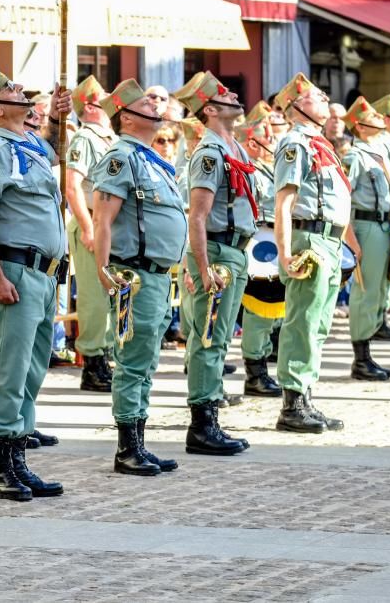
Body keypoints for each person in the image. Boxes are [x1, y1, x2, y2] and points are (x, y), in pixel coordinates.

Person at [0, 66, 69, 502]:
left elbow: (57, 154)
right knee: (9, 371)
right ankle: (1, 468)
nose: (20, 91)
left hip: (43, 274)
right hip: (17, 272)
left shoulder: (27, 142)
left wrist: (59, 120)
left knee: (31, 369)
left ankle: (20, 458)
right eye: (10, 89)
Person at [92, 79, 185, 476]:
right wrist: (103, 270)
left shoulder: (150, 158)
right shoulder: (121, 157)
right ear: (127, 117)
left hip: (160, 276)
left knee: (146, 360)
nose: (154, 104)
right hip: (138, 274)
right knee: (132, 360)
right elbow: (103, 217)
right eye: (144, 102)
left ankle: (139, 443)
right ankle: (127, 447)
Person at [271, 73, 361, 433]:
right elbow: (284, 203)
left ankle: (305, 395)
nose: (325, 99)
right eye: (317, 96)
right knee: (303, 322)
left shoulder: (320, 144)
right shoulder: (296, 143)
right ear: (296, 106)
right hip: (310, 239)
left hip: (329, 240)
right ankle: (292, 404)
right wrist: (284, 252)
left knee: (319, 324)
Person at [174, 71, 254, 455]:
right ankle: (202, 426)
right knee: (208, 338)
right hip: (218, 251)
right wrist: (202, 268)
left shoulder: (232, 147)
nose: (235, 95)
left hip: (233, 250)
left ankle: (210, 415)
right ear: (209, 110)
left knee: (219, 338)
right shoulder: (209, 153)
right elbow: (198, 216)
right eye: (225, 95)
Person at [342, 96, 390, 382]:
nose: (381, 119)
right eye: (374, 118)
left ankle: (368, 350)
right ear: (360, 126)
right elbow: (343, 198)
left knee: (378, 290)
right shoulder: (355, 156)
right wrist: (351, 239)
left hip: (383, 226)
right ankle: (361, 358)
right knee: (365, 292)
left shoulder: (379, 152)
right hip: (365, 227)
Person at [65, 75, 116, 392]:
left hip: (107, 223)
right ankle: (94, 362)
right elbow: (72, 186)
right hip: (93, 221)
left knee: (109, 294)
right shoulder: (85, 139)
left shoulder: (107, 138)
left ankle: (105, 355)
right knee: (95, 297)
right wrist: (86, 227)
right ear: (90, 106)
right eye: (103, 97)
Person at [236, 101, 282, 397]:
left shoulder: (269, 167)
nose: (273, 140)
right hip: (256, 244)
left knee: (272, 310)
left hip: (272, 243)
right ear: (252, 141)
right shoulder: (248, 169)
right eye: (267, 135)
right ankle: (255, 371)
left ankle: (262, 362)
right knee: (257, 310)